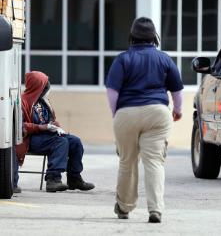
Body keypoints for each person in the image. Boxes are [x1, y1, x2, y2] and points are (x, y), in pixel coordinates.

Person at [106, 17, 184, 223]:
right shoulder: (164, 59)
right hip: (158, 113)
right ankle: (155, 209)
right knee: (154, 162)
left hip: (127, 113)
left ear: (132, 36)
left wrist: (117, 114)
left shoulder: (123, 59)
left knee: (127, 162)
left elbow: (112, 90)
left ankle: (124, 207)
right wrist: (177, 110)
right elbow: (177, 89)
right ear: (154, 37)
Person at [15, 71, 95, 193]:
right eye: (45, 86)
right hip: (31, 139)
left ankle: (74, 178)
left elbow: (50, 120)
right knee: (60, 142)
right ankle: (53, 179)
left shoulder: (43, 101)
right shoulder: (22, 101)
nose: (47, 88)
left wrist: (54, 125)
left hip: (47, 136)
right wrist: (42, 127)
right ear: (38, 86)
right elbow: (20, 126)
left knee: (75, 141)